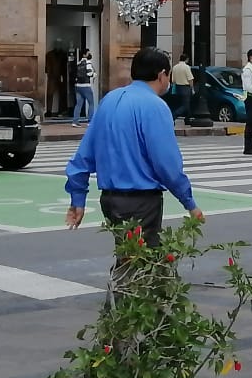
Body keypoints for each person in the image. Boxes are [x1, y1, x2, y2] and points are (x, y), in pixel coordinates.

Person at [65, 48, 204, 246]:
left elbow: (84, 156)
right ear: (162, 75)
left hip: (110, 199)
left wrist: (77, 198)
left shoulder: (109, 101)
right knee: (144, 264)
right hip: (142, 201)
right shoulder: (155, 106)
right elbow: (166, 163)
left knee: (127, 257)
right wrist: (189, 202)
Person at [72, 49, 96, 127]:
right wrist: (94, 74)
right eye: (88, 53)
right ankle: (90, 121)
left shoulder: (79, 63)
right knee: (91, 103)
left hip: (78, 86)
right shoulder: (88, 63)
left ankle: (75, 121)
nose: (90, 54)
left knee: (78, 104)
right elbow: (89, 73)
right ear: (84, 55)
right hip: (86, 86)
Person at [170, 54, 195, 122]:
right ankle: (173, 115)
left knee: (185, 104)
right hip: (185, 87)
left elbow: (173, 80)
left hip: (178, 87)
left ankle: (187, 119)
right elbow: (190, 79)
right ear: (186, 59)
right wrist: (192, 88)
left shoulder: (175, 67)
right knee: (185, 105)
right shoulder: (186, 67)